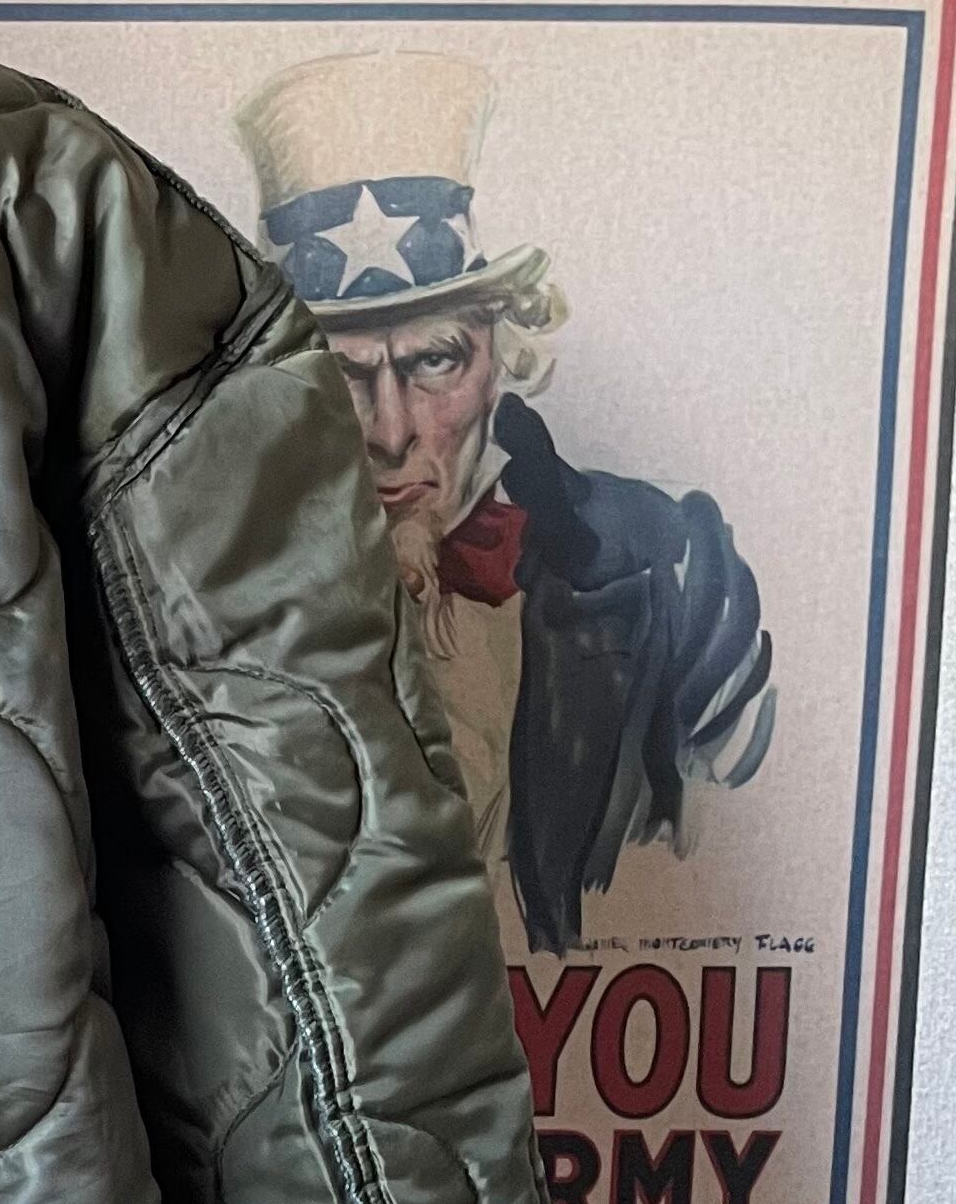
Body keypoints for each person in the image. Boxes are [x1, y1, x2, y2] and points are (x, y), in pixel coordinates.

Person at [235, 49, 775, 953]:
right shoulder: (209, 596)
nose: (393, 432)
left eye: (434, 361)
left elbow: (725, 869)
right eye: (340, 376)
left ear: (501, 356)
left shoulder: (673, 570)